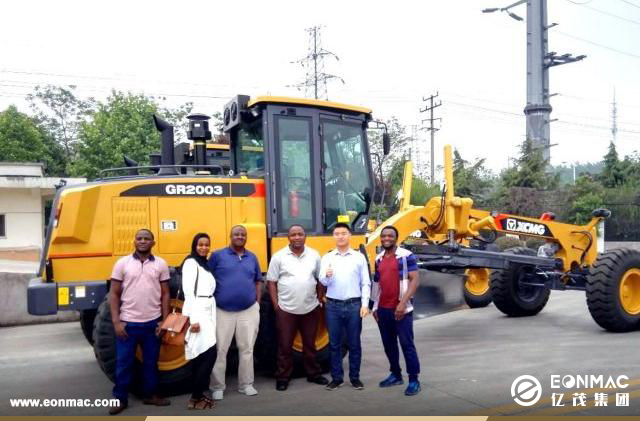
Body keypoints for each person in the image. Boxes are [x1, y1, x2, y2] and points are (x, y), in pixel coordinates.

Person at [108, 228, 171, 415]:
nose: (143, 241)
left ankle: (150, 395)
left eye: (146, 238)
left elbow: (166, 294)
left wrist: (164, 321)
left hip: (152, 324)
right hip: (128, 324)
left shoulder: (161, 264)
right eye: (139, 238)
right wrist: (116, 322)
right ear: (134, 241)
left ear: (153, 243)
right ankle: (120, 398)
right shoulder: (122, 263)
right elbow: (114, 294)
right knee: (123, 364)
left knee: (151, 364)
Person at [266, 224, 329, 391]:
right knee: (285, 346)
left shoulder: (314, 255)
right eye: (293, 235)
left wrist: (319, 298)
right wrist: (276, 305)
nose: (297, 237)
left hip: (310, 308)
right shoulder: (279, 257)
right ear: (288, 238)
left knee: (310, 345)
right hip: (286, 309)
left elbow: (320, 279)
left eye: (300, 234)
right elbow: (271, 282)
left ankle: (314, 374)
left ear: (305, 236)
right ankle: (283, 377)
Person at [208, 225, 263, 400]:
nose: (240, 237)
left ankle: (246, 384)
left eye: (243, 234)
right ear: (230, 236)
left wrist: (257, 302)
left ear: (246, 237)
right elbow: (208, 279)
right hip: (222, 310)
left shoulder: (252, 257)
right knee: (220, 349)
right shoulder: (218, 256)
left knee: (247, 349)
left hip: (248, 310)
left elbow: (258, 281)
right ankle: (217, 387)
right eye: (236, 234)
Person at [319, 222, 371, 391]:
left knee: (354, 343)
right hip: (333, 306)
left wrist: (365, 304)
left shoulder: (358, 257)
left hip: (354, 306)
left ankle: (355, 378)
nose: (340, 236)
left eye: (343, 233)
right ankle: (337, 378)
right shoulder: (327, 257)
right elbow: (323, 281)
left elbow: (365, 282)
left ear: (349, 235)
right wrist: (327, 276)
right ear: (333, 236)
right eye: (337, 234)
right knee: (334, 344)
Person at [371, 225, 422, 396]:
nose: (386, 238)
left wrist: (403, 303)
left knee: (407, 345)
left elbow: (415, 280)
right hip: (383, 309)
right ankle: (396, 375)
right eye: (384, 236)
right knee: (389, 344)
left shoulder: (406, 256)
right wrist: (375, 306)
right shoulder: (379, 258)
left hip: (402, 309)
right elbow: (377, 284)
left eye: (390, 236)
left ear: (396, 238)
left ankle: (414, 380)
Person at [181, 233, 217, 410]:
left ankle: (197, 396)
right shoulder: (190, 263)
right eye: (200, 244)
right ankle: (197, 395)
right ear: (194, 246)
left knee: (202, 354)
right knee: (208, 354)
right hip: (198, 311)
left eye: (206, 245)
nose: (204, 247)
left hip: (208, 309)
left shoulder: (204, 264)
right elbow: (188, 292)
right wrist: (193, 320)